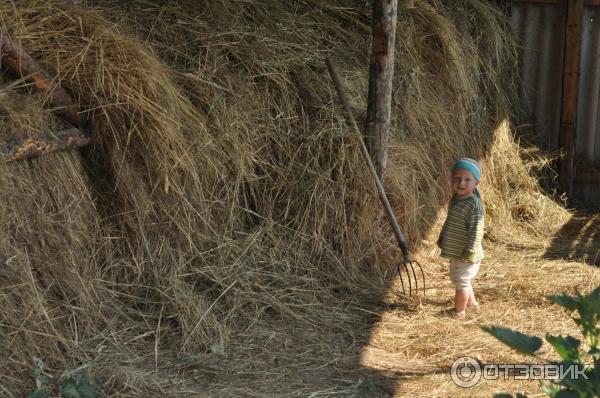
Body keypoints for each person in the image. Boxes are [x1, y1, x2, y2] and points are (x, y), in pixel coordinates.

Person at [437, 157, 484, 318]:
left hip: (466, 253)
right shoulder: (457, 199)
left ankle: (458, 311)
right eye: (457, 178)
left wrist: (469, 251)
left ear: (476, 183)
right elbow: (450, 221)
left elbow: (477, 231)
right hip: (458, 251)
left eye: (467, 179)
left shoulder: (473, 205)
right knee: (462, 279)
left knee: (461, 281)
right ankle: (471, 304)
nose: (461, 183)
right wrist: (442, 237)